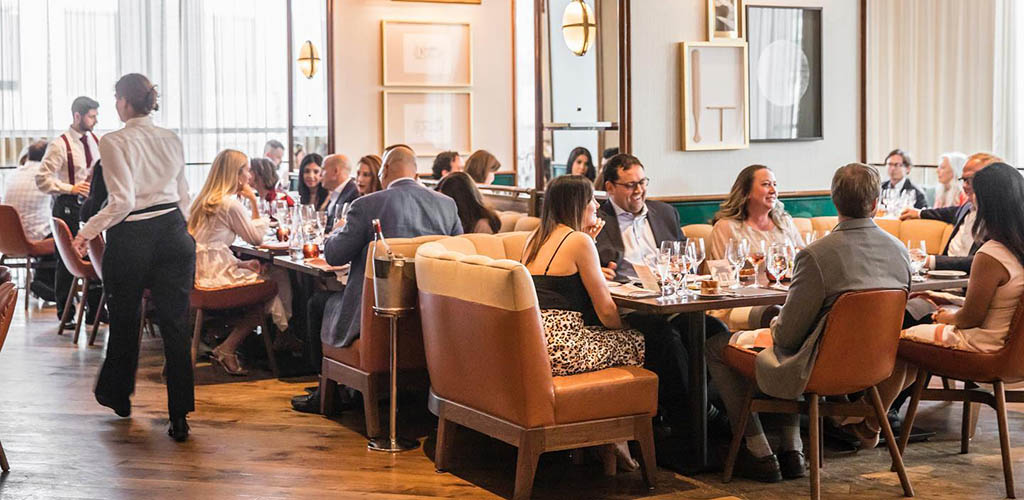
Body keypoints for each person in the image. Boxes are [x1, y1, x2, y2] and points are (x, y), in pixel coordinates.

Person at [706, 163, 911, 483]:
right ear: (875, 205)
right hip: (875, 367)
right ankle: (793, 450)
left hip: (817, 368)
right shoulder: (901, 253)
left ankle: (759, 447)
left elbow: (788, 337)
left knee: (716, 345)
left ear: (834, 201)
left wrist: (772, 325)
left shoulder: (817, 255)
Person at [843, 162, 1024, 447]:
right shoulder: (1017, 250)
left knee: (902, 340)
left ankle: (866, 421)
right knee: (918, 324)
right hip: (1011, 351)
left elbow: (970, 319)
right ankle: (866, 416)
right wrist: (944, 303)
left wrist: (942, 316)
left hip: (984, 347)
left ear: (989, 204)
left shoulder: (991, 255)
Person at [72, 73, 196, 442]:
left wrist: (85, 232)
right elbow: (183, 194)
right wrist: (180, 230)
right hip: (174, 232)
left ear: (125, 102)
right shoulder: (171, 138)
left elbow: (122, 201)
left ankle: (119, 398)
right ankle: (179, 417)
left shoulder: (113, 140)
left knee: (125, 322)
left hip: (133, 236)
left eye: (115, 98)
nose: (114, 105)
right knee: (176, 326)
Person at [292, 145, 462, 412]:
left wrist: (337, 231)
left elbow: (335, 255)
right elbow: (458, 254)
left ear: (383, 172)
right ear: (416, 172)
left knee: (317, 303)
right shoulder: (447, 205)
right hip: (428, 314)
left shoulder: (367, 204)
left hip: (375, 311)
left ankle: (328, 392)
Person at [594, 153, 728, 444]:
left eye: (642, 182)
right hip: (629, 310)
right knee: (667, 338)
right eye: (630, 185)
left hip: (671, 300)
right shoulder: (595, 221)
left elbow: (685, 260)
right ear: (610, 187)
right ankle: (699, 421)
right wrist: (600, 272)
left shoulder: (665, 213)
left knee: (716, 332)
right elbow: (590, 272)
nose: (639, 190)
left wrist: (683, 269)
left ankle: (713, 414)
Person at [521, 174, 644, 471]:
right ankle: (620, 436)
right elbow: (605, 311)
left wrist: (589, 241)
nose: (597, 204)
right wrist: (628, 329)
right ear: (577, 204)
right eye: (591, 199)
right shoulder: (578, 241)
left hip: (537, 346)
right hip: (564, 348)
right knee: (649, 338)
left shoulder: (533, 239)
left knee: (632, 337)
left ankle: (612, 437)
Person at [187, 149, 294, 375]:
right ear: (236, 175)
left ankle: (263, 340)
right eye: (246, 170)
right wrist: (254, 201)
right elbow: (255, 238)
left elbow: (211, 248)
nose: (250, 177)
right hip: (211, 280)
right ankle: (230, 346)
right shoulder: (229, 203)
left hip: (195, 275)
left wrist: (241, 264)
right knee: (271, 287)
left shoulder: (202, 198)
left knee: (263, 274)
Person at [37, 95, 102, 323]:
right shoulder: (60, 144)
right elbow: (42, 180)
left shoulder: (94, 140)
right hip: (67, 206)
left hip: (90, 207)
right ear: (77, 116)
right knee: (67, 261)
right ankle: (66, 314)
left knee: (95, 255)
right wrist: (70, 188)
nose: (95, 121)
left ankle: (95, 313)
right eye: (91, 116)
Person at [901, 153, 1002, 273]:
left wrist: (929, 260)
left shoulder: (1001, 219)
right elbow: (948, 212)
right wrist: (919, 213)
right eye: (963, 180)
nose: (964, 186)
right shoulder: (967, 208)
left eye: (969, 180)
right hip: (942, 279)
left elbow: (983, 262)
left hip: (963, 285)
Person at [709, 164, 804, 263]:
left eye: (774, 185)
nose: (773, 190)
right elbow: (721, 272)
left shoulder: (785, 222)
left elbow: (804, 259)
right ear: (747, 192)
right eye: (766, 184)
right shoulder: (725, 226)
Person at [3, 140, 56, 302]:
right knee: (65, 236)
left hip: (8, 240)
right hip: (33, 238)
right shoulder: (46, 177)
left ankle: (43, 281)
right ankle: (50, 285)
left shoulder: (13, 174)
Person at [321, 154, 359, 231]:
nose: (320, 174)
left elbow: (344, 228)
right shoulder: (335, 192)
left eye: (323, 169)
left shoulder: (354, 194)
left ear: (336, 171)